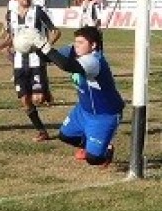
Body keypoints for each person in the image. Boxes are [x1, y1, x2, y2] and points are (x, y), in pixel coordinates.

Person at [31, 26, 123, 166]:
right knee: (65, 136)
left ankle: (107, 150)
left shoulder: (94, 61)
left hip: (104, 114)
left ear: (93, 45)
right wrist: (35, 45)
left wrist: (44, 46)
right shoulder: (75, 50)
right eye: (75, 41)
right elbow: (48, 58)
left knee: (93, 159)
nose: (76, 45)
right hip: (83, 110)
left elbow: (66, 65)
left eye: (81, 42)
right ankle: (92, 145)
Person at [0, 0, 60, 141]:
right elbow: (12, 38)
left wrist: (46, 47)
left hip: (37, 61)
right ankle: (42, 131)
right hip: (19, 63)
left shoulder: (38, 12)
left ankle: (45, 91)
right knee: (25, 100)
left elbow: (56, 32)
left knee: (38, 99)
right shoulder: (11, 15)